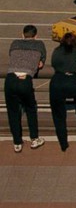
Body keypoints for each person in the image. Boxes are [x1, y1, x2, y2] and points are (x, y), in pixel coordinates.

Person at [5, 25, 47, 153]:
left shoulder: (14, 43)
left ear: (22, 35)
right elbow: (40, 63)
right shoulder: (39, 45)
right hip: (25, 79)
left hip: (10, 79)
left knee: (13, 112)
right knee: (30, 109)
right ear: (36, 36)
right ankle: (34, 138)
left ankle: (17, 142)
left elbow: (12, 56)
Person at [50, 32, 76, 152]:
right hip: (72, 82)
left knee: (59, 117)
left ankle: (63, 143)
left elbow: (53, 63)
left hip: (57, 82)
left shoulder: (56, 51)